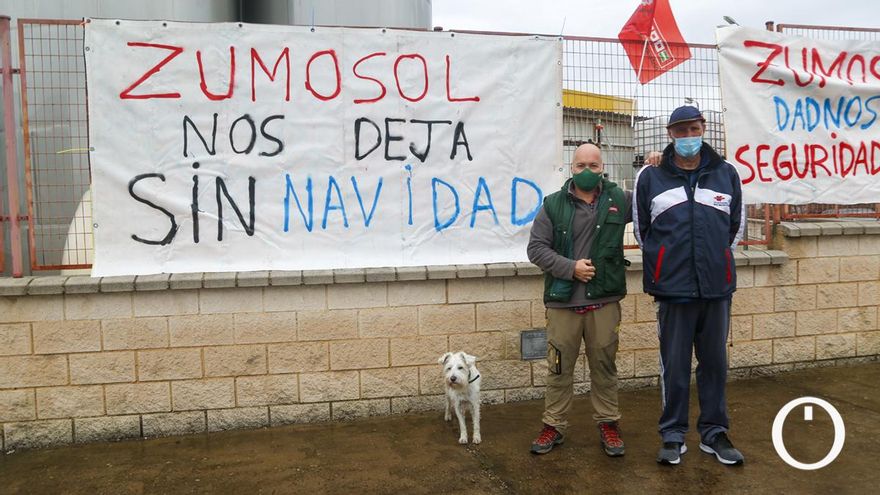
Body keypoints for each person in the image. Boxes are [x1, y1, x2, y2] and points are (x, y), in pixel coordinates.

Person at [633, 105, 745, 466]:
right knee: (674, 365)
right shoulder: (650, 177)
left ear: (704, 128)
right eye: (680, 132)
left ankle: (714, 433)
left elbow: (735, 229)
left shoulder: (726, 174)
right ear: (670, 134)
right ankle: (673, 434)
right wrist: (666, 265)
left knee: (714, 364)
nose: (687, 137)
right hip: (673, 288)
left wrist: (713, 260)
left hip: (716, 288)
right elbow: (642, 231)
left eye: (693, 129)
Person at [526, 143, 632, 457]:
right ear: (571, 168)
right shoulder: (553, 205)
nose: (587, 171)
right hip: (563, 302)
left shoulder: (619, 200)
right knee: (559, 368)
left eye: (593, 166)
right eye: (581, 165)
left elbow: (654, 200)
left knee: (604, 366)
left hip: (605, 300)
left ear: (603, 169)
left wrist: (655, 166)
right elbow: (536, 249)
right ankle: (553, 425)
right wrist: (570, 268)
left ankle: (609, 423)